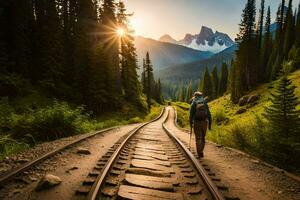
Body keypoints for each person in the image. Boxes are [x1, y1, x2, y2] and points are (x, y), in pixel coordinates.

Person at [189, 91, 212, 158]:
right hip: (204, 122)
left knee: (198, 138)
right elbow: (209, 113)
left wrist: (191, 123)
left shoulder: (194, 102)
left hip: (197, 122)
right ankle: (201, 150)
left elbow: (191, 114)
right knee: (203, 138)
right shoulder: (204, 102)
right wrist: (210, 124)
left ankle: (199, 152)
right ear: (201, 95)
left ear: (195, 96)